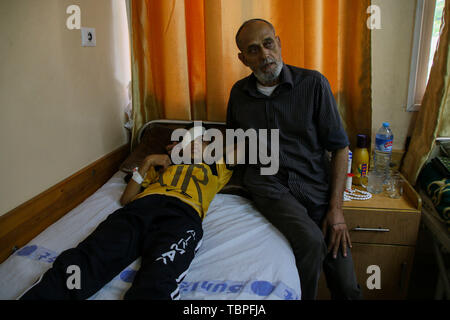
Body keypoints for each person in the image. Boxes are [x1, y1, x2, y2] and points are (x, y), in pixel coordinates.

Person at [226, 18, 362, 300]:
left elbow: (339, 148)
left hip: (316, 189)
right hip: (270, 187)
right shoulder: (239, 95)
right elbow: (233, 147)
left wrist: (336, 210)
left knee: (348, 288)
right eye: (253, 50)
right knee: (311, 242)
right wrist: (188, 151)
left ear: (278, 43)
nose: (264, 55)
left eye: (268, 44)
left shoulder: (313, 85)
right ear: (243, 59)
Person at [18, 126, 233, 300]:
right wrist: (148, 161)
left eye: (201, 141)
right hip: (140, 209)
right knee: (91, 258)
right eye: (189, 141)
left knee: (158, 278)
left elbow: (240, 148)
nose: (195, 145)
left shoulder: (216, 168)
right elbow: (126, 199)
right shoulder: (163, 168)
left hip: (181, 216)